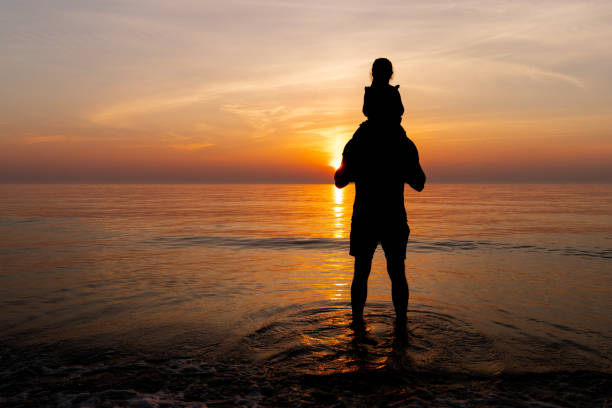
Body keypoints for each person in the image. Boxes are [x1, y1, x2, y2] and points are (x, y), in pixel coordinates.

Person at [335, 58, 425, 332]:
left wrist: (358, 169)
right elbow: (419, 182)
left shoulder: (358, 140)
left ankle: (357, 329)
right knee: (397, 273)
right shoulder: (403, 142)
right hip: (393, 216)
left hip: (365, 215)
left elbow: (339, 181)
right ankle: (401, 330)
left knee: (361, 273)